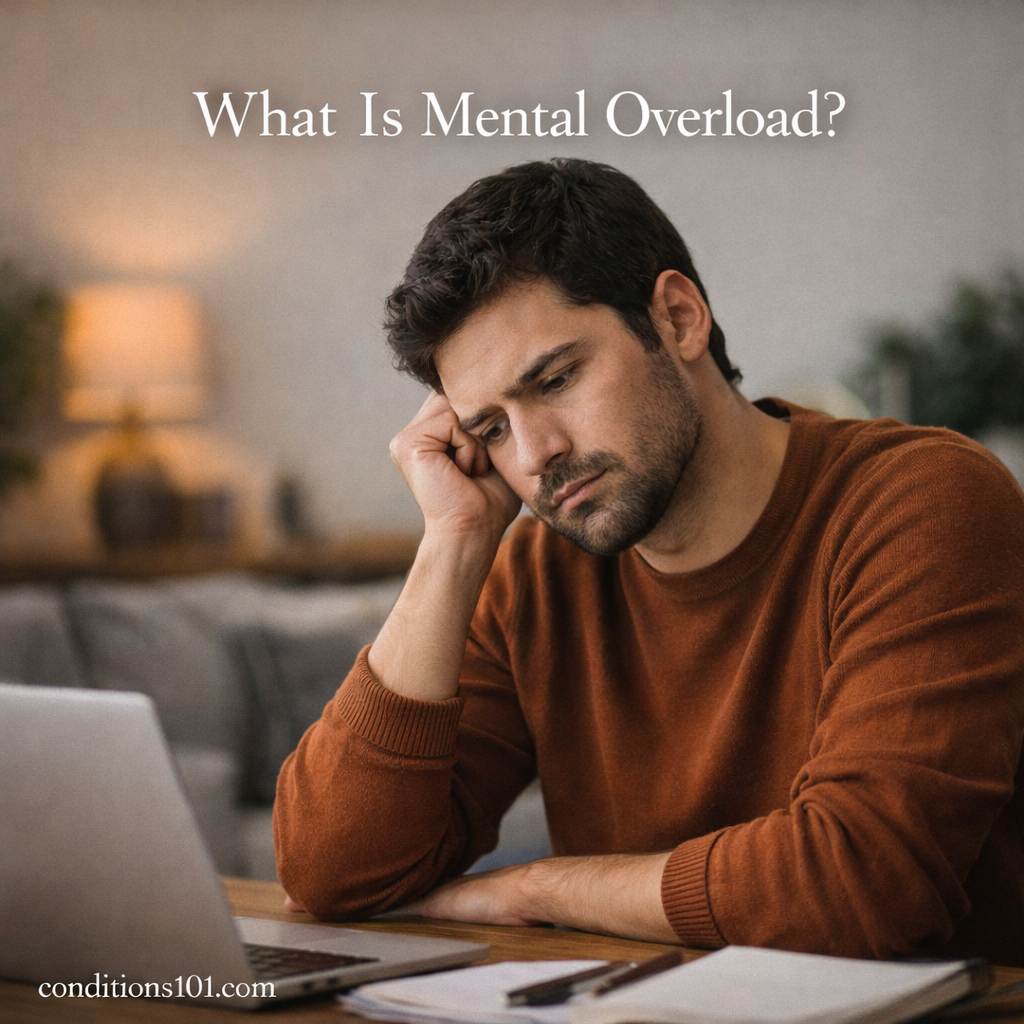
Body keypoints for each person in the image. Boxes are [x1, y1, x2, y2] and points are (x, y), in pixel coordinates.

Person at [274, 158, 1024, 964]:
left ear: (677, 318)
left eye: (556, 379)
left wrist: (539, 890)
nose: (534, 455)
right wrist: (452, 543)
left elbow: (865, 882)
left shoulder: (923, 500)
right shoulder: (536, 574)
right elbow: (331, 872)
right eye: (490, 428)